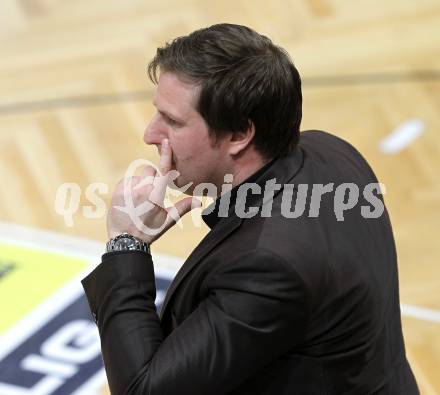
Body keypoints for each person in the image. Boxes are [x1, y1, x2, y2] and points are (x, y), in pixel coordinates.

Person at [82, 23, 419, 394]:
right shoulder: (332, 153)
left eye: (173, 121)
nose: (150, 134)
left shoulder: (268, 266)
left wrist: (126, 244)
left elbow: (144, 390)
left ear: (239, 135)